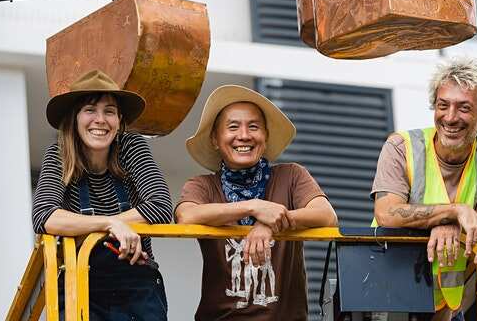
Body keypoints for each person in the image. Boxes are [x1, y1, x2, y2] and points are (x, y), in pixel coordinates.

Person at [371, 56, 477, 321]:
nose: (450, 117)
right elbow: (387, 213)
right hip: (389, 291)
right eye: (443, 105)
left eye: (463, 108)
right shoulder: (400, 147)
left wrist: (448, 221)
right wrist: (454, 212)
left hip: (447, 306)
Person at [175, 85, 338, 320]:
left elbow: (326, 215)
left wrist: (272, 223)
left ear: (266, 136)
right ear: (214, 139)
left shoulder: (291, 175)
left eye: (253, 126)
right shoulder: (202, 186)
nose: (244, 135)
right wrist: (254, 206)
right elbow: (186, 216)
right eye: (233, 127)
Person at [31, 70, 173, 320]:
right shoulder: (58, 154)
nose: (100, 120)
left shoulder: (132, 146)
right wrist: (111, 223)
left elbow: (160, 206)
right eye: (90, 110)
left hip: (136, 287)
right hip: (79, 285)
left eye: (109, 111)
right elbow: (44, 216)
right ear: (74, 118)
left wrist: (90, 230)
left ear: (119, 119)